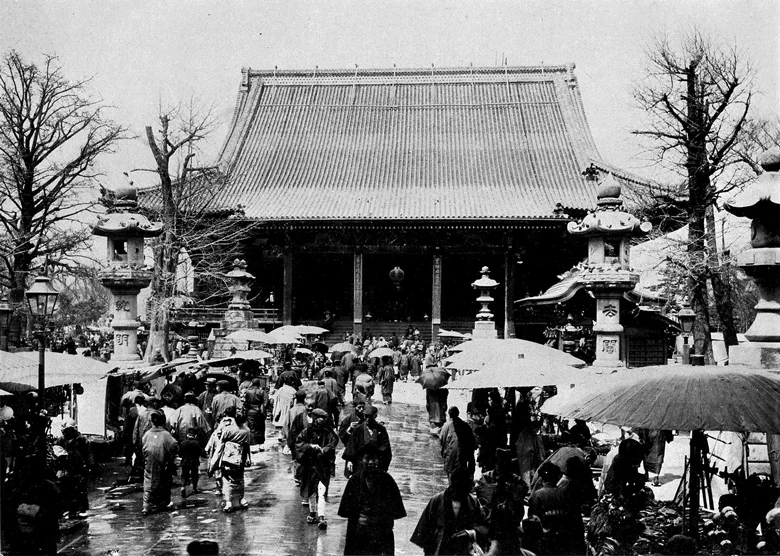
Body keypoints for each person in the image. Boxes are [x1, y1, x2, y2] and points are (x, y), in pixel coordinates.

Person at [338, 444, 407, 555]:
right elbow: (346, 510)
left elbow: (395, 509)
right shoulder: (354, 481)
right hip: (359, 532)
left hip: (380, 533)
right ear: (361, 460)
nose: (371, 462)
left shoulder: (387, 480)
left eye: (374, 459)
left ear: (378, 461)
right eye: (367, 459)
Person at [411, 467, 494, 556]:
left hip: (464, 551)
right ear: (454, 484)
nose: (468, 491)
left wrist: (470, 533)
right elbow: (424, 531)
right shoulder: (436, 501)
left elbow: (485, 528)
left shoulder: (473, 502)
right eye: (464, 487)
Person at [475, 448, 529, 556]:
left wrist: (510, 489)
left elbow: (523, 490)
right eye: (500, 463)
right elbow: (480, 493)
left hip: (511, 524)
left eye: (505, 464)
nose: (502, 467)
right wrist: (495, 489)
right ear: (496, 463)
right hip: (489, 524)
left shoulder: (516, 479)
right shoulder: (486, 477)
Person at [528, 461, 586, 555]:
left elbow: (532, 519)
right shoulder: (565, 494)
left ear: (542, 479)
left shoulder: (537, 495)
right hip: (563, 541)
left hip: (545, 542)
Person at [295, 408, 338, 530]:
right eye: (320, 418)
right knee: (311, 490)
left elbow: (333, 442)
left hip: (323, 466)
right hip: (309, 466)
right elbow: (298, 444)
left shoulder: (328, 432)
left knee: (322, 490)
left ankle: (322, 516)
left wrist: (324, 450)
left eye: (324, 418)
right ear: (314, 418)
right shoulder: (306, 432)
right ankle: (312, 513)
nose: (322, 421)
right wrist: (310, 446)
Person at [141, 411, 178, 515]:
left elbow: (142, 447)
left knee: (148, 482)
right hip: (163, 461)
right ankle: (163, 503)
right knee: (165, 481)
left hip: (149, 461)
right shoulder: (166, 435)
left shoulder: (147, 434)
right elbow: (174, 445)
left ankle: (146, 506)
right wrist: (170, 458)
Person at [58, 418, 94, 518]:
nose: (66, 433)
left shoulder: (82, 440)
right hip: (67, 468)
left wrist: (90, 467)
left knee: (81, 489)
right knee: (67, 490)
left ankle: (81, 509)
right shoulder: (61, 440)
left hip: (80, 468)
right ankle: (69, 510)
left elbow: (89, 454)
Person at [342, 404, 392, 477]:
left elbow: (386, 449)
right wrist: (349, 461)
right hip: (360, 463)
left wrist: (384, 466)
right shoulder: (358, 429)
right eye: (366, 416)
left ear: (375, 416)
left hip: (375, 463)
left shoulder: (381, 429)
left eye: (370, 417)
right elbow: (351, 446)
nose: (367, 419)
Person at [218, 413, 252, 512]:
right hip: (240, 457)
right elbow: (247, 444)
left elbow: (222, 441)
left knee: (227, 478)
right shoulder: (246, 431)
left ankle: (228, 501)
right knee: (240, 478)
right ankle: (241, 499)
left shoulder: (228, 429)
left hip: (228, 456)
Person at [440, 406, 477, 480]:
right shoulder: (465, 425)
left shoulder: (447, 425)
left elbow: (442, 439)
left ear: (449, 415)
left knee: (451, 472)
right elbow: (472, 440)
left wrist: (444, 451)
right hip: (463, 454)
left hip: (452, 453)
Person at [515, 419, 545, 487]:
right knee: (530, 476)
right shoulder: (534, 437)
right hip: (529, 460)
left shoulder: (523, 434)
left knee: (525, 476)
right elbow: (540, 453)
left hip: (524, 459)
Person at [179, 427, 203, 502]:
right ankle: (194, 488)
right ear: (195, 435)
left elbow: (180, 454)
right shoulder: (197, 443)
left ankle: (183, 486)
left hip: (185, 462)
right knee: (194, 475)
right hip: (194, 462)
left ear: (187, 435)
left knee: (184, 475)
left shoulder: (183, 443)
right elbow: (201, 452)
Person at [242, 378, 267, 449]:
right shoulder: (262, 392)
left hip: (251, 411)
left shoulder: (248, 392)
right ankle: (261, 443)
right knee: (261, 427)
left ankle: (253, 444)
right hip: (260, 411)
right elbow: (266, 403)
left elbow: (246, 403)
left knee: (252, 427)